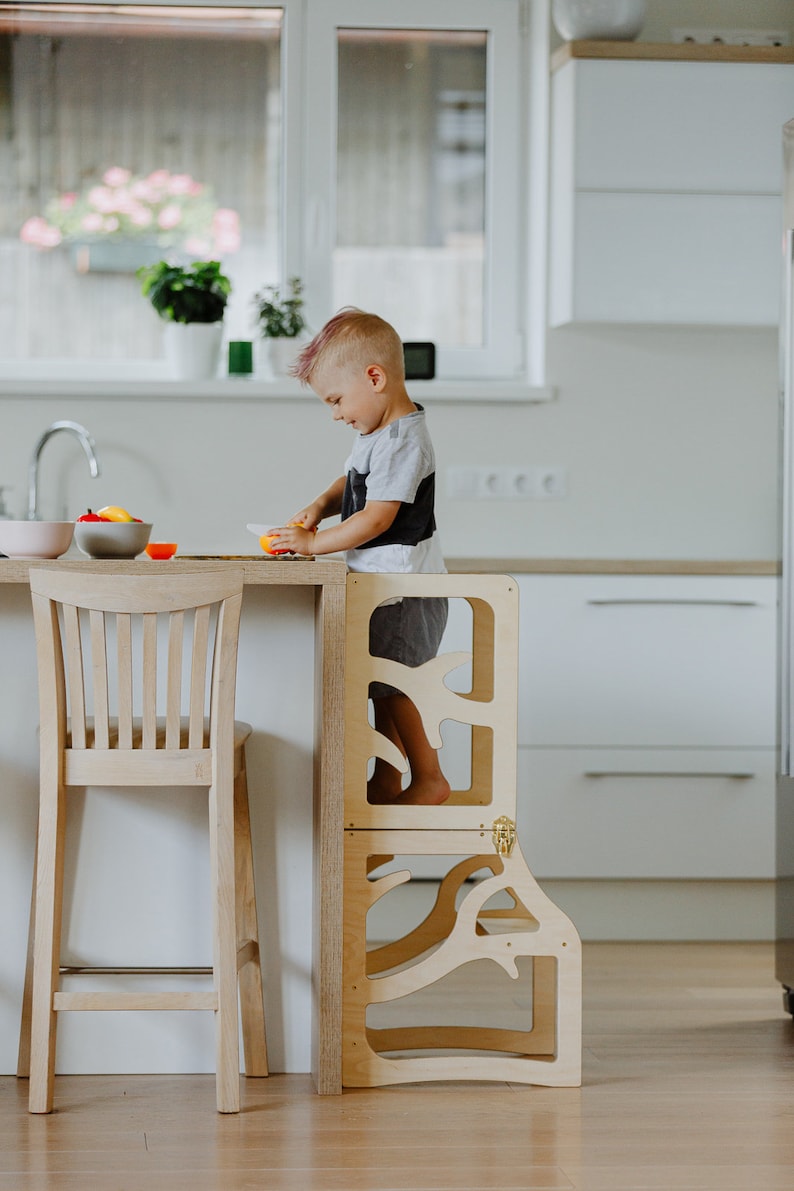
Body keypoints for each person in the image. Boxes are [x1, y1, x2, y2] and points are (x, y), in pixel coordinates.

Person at [268, 307, 450, 806]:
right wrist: (319, 508)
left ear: (374, 378)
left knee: (397, 686)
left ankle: (429, 777)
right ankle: (388, 777)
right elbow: (348, 482)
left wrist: (312, 546)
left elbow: (376, 518)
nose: (335, 413)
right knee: (382, 685)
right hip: (384, 589)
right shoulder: (375, 436)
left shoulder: (404, 440)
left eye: (336, 399)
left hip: (406, 592)